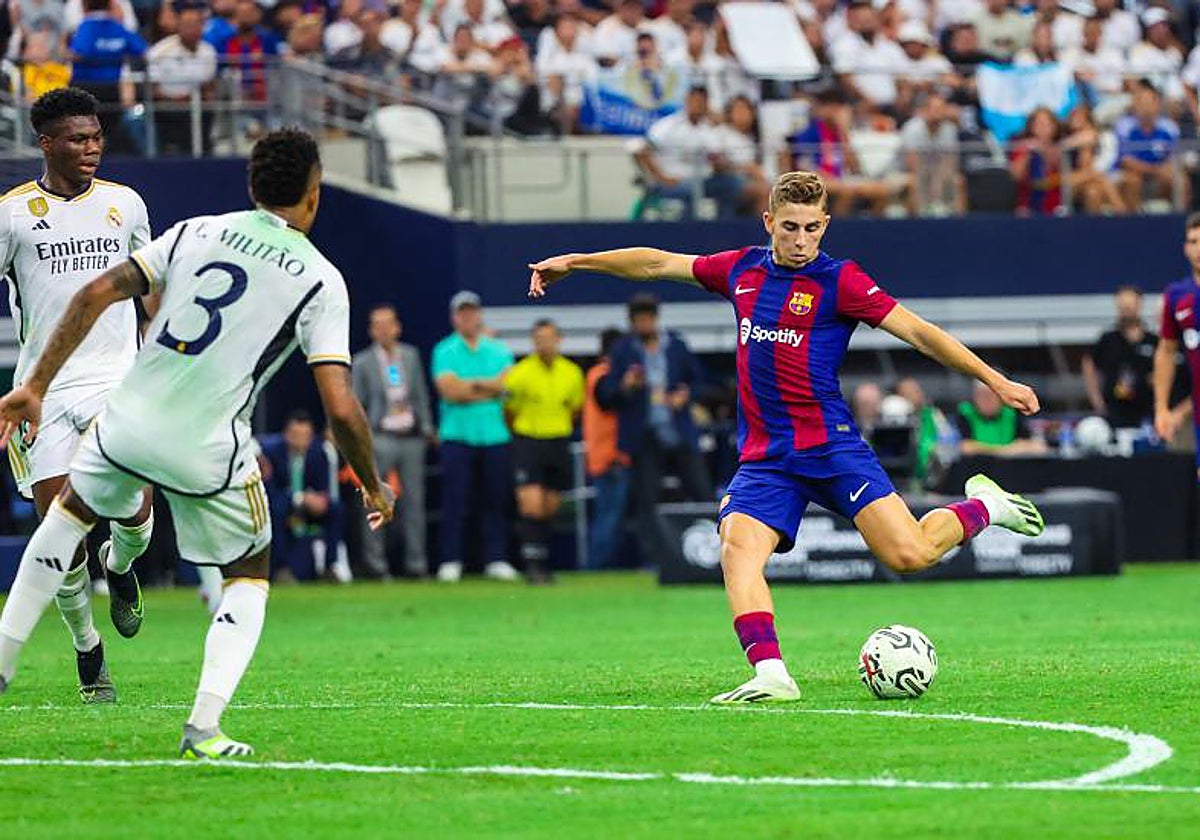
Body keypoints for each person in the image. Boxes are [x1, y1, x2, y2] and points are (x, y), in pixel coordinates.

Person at [528, 170, 1046, 704]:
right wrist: (577, 261)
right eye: (791, 228)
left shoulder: (841, 281)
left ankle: (985, 506)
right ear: (769, 221)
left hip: (830, 447)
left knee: (910, 554)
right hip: (767, 458)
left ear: (825, 226)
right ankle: (772, 674)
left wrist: (996, 379)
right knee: (737, 547)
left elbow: (919, 332)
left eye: (812, 229)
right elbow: (657, 262)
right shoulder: (741, 270)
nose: (801, 241)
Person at [0, 128, 395, 758]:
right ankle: (203, 727)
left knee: (66, 519)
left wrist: (33, 384)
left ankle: (4, 662)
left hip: (124, 417)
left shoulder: (196, 230)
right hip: (208, 442)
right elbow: (341, 408)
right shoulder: (322, 278)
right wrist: (372, 483)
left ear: (250, 185)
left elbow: (97, 290)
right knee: (248, 573)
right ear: (314, 196)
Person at [0, 88, 155, 705]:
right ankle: (89, 650)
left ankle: (120, 569)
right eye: (76, 138)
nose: (90, 148)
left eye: (95, 137)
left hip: (118, 379)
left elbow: (153, 288)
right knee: (56, 537)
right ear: (46, 143)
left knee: (136, 514)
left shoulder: (126, 204)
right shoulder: (13, 214)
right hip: (42, 392)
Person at [595, 293, 710, 568]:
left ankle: (716, 553)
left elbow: (699, 381)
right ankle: (658, 560)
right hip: (644, 438)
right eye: (639, 320)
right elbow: (606, 397)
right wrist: (626, 386)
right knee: (647, 502)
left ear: (656, 320)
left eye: (648, 319)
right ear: (632, 322)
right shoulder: (623, 351)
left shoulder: (675, 345)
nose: (645, 325)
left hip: (679, 433)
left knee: (702, 493)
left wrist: (686, 395)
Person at [432, 291, 521, 583]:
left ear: (479, 315)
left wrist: (470, 387)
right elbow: (450, 391)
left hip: (494, 436)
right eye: (462, 313)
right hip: (457, 436)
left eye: (472, 312)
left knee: (496, 500)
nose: (467, 317)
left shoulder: (498, 349)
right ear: (454, 317)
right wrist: (488, 387)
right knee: (456, 502)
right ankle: (451, 560)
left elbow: (507, 386)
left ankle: (495, 559)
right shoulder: (444, 350)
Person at [351, 303, 434, 579]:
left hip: (410, 437)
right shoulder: (362, 362)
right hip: (380, 437)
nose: (384, 329)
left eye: (389, 323)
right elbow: (357, 403)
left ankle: (416, 564)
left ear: (397, 327)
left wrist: (427, 427)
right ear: (371, 330)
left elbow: (420, 394)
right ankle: (376, 565)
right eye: (378, 324)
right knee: (375, 498)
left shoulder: (409, 356)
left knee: (415, 502)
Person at [504, 318, 585, 583]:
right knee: (531, 504)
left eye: (549, 338)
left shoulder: (572, 373)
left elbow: (574, 409)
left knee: (550, 505)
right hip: (529, 440)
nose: (544, 344)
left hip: (558, 440)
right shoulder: (520, 373)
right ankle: (532, 563)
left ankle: (543, 560)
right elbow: (509, 411)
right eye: (539, 339)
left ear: (559, 340)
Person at [1084, 284, 1177, 429]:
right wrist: (1097, 401)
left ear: (1139, 305)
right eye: (1123, 306)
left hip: (1148, 412)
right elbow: (1089, 364)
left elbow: (1167, 366)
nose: (1127, 309)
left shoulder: (1153, 340)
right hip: (1114, 412)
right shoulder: (1107, 340)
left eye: (1130, 305)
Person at [68, 0, 148, 153]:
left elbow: (79, 52)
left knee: (84, 134)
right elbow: (141, 50)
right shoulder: (119, 28)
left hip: (84, 89)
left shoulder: (86, 27)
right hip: (112, 91)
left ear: (84, 6)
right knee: (104, 133)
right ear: (111, 5)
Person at [1153, 214, 1200, 455]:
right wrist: (1162, 408)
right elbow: (1166, 350)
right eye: (1193, 241)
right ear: (1185, 248)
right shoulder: (1177, 296)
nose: (1199, 249)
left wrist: (1180, 412)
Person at [583, 327, 629, 569]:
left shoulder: (600, 374)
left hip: (610, 456)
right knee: (608, 518)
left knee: (612, 516)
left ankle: (601, 565)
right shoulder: (602, 375)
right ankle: (595, 567)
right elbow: (608, 399)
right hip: (609, 457)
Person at [147, 0, 218, 155]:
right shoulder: (160, 52)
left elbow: (209, 87)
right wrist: (174, 100)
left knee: (209, 114)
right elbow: (153, 90)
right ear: (178, 25)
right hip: (167, 108)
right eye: (187, 24)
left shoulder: (209, 52)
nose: (192, 29)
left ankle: (206, 153)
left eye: (196, 24)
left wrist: (197, 98)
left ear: (202, 26)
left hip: (199, 106)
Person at [1115, 80, 1182, 212]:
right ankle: (1131, 223)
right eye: (1142, 103)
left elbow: (1174, 158)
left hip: (1160, 172)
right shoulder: (1123, 126)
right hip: (1134, 172)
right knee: (1132, 181)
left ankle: (1179, 221)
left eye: (1149, 103)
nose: (1146, 108)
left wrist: (1163, 170)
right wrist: (1153, 170)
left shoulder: (1170, 127)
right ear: (1135, 105)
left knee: (1179, 179)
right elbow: (1126, 161)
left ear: (1157, 104)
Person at [956, 380, 1049, 455]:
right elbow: (965, 447)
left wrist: (982, 449)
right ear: (975, 397)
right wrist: (1006, 450)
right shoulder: (966, 412)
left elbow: (1036, 446)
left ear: (1001, 397)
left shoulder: (1012, 412)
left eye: (991, 395)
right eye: (982, 395)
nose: (987, 400)